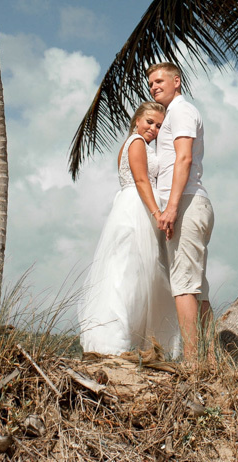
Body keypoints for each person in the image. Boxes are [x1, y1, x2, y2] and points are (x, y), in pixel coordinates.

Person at [78, 102, 180, 356]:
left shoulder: (142, 144)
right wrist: (157, 213)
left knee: (140, 274)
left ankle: (137, 342)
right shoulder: (136, 142)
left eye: (158, 125)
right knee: (126, 272)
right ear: (137, 120)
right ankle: (113, 340)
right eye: (149, 122)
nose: (153, 129)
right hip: (136, 207)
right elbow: (141, 179)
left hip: (138, 205)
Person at [147, 62, 214, 360]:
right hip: (187, 202)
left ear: (177, 81)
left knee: (184, 284)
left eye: (160, 80)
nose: (154, 86)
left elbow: (184, 159)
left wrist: (171, 208)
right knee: (197, 287)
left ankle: (191, 362)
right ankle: (211, 359)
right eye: (150, 83)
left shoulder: (182, 111)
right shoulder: (173, 113)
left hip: (185, 202)